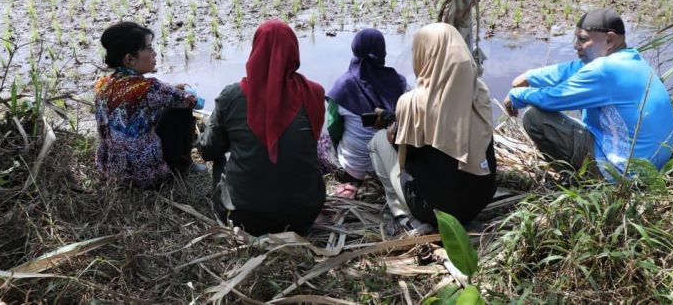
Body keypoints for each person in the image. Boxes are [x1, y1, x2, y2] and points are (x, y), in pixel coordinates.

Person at [503, 8, 673, 180]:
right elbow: (573, 69)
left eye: (583, 39)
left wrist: (518, 95)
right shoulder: (630, 60)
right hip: (650, 168)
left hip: (623, 173)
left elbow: (552, 99)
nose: (575, 45)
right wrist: (530, 77)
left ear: (609, 40)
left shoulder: (604, 70)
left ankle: (580, 180)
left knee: (534, 118)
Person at [368, 23, 497, 236]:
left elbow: (404, 152)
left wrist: (392, 125)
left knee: (378, 141)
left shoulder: (412, 102)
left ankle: (403, 215)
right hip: (480, 199)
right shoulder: (479, 92)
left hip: (435, 209)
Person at [199, 20, 326, 236]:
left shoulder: (232, 96)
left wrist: (202, 134)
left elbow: (209, 150)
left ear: (256, 51)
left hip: (243, 217)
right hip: (303, 215)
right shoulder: (313, 93)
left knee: (220, 156)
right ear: (293, 52)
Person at [94, 21, 204, 188]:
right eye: (149, 48)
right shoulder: (150, 88)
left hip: (110, 173)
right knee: (181, 110)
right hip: (145, 178)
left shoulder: (102, 85)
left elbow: (141, 97)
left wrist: (171, 90)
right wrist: (188, 90)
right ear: (129, 59)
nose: (154, 53)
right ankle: (184, 164)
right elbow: (195, 102)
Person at [317, 28, 409, 185]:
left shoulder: (342, 87)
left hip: (353, 168)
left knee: (321, 141)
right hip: (387, 167)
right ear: (383, 53)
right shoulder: (401, 84)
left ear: (355, 49)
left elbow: (333, 128)